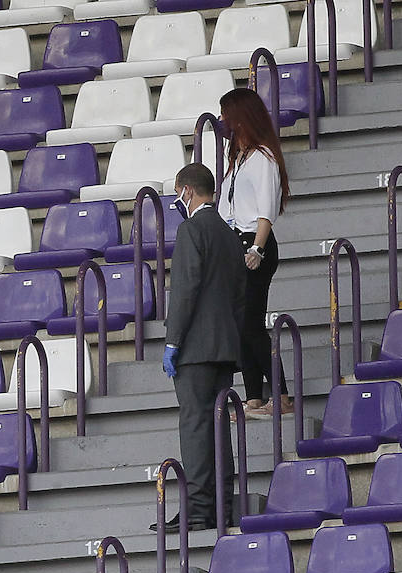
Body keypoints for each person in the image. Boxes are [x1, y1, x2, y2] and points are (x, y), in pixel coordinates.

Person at [156, 162, 246, 531]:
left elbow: (185, 290)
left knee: (195, 428)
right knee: (218, 428)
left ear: (187, 191)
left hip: (195, 348)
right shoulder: (228, 233)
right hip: (224, 347)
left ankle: (197, 508)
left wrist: (173, 340)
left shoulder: (192, 229)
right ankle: (222, 504)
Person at [217, 88, 293, 419]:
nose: (222, 122)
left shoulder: (263, 157)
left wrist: (257, 248)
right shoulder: (238, 157)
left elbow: (266, 209)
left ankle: (282, 394)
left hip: (253, 241)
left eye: (226, 115)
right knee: (240, 324)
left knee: (251, 323)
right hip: (235, 240)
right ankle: (254, 396)